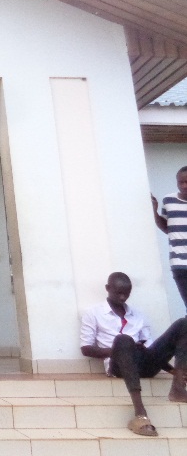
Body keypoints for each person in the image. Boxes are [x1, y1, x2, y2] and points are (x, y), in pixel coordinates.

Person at [80, 271, 187, 437]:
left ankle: (179, 388)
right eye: (119, 293)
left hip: (145, 363)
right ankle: (140, 415)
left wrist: (172, 370)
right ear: (108, 288)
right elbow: (86, 348)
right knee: (124, 340)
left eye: (127, 293)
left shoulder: (138, 315)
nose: (123, 298)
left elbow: (150, 348)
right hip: (118, 365)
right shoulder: (93, 313)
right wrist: (118, 350)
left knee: (184, 324)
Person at [152, 166, 187, 311]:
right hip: (179, 263)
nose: (184, 186)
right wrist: (154, 211)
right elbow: (167, 228)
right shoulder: (168, 201)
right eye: (180, 182)